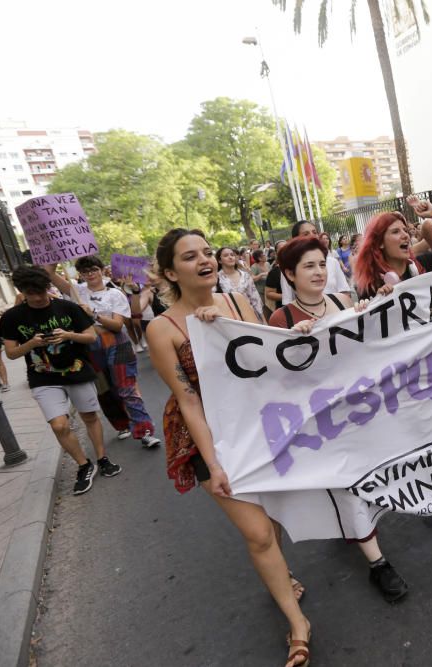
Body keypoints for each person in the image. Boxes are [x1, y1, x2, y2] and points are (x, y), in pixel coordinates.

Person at [146, 229, 311, 666]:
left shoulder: (238, 303)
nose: (204, 260)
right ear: (170, 272)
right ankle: (298, 623)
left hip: (255, 425)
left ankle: (281, 570)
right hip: (207, 437)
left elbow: (267, 359)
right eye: (189, 256)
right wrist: (214, 463)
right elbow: (188, 399)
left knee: (270, 519)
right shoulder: (161, 329)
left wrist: (303, 333)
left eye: (206, 252)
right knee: (257, 533)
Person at [268, 236, 410, 601]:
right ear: (288, 274)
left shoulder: (341, 302)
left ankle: (356, 532)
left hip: (360, 412)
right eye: (308, 266)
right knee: (347, 489)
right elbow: (277, 381)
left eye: (321, 264)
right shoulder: (280, 319)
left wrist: (366, 312)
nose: (318, 272)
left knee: (365, 483)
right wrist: (291, 343)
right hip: (323, 424)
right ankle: (379, 565)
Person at [354, 208, 432, 545]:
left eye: (404, 230)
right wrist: (375, 307)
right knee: (418, 440)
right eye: (394, 232)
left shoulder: (422, 267)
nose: (404, 236)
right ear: (379, 244)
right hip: (399, 380)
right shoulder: (368, 286)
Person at [0, 266, 122, 494]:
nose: (37, 298)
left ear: (48, 288)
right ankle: (84, 465)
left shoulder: (68, 308)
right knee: (58, 425)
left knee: (90, 417)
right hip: (42, 377)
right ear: (21, 291)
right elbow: (12, 353)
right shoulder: (11, 317)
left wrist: (67, 335)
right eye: (30, 293)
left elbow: (91, 337)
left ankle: (102, 458)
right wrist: (31, 344)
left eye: (41, 292)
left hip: (77, 371)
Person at [47, 256, 162, 447]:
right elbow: (49, 273)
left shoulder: (115, 294)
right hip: (89, 345)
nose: (90, 274)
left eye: (93, 269)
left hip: (117, 344)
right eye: (85, 271)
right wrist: (54, 251)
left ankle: (145, 430)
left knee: (127, 388)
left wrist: (93, 314)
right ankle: (122, 425)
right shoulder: (76, 291)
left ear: (101, 270)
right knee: (104, 390)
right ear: (80, 275)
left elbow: (117, 325)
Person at [280, 221, 349, 304]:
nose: (312, 236)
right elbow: (287, 300)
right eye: (306, 234)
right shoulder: (290, 266)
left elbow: (344, 291)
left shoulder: (333, 262)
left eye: (314, 232)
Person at [216, 247, 264, 321]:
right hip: (230, 319)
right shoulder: (216, 278)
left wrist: (262, 319)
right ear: (219, 260)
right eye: (226, 255)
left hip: (250, 317)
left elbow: (255, 299)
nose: (230, 257)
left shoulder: (245, 276)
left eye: (232, 255)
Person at [264, 239, 290, 316]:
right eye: (281, 248)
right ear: (276, 253)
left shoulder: (299, 267)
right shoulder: (274, 272)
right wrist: (288, 296)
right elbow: (269, 293)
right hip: (285, 310)